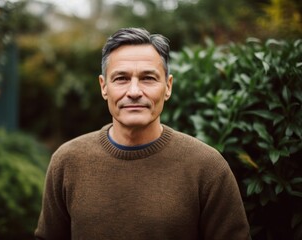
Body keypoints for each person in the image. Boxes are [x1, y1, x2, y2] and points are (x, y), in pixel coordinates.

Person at [35, 27, 251, 240]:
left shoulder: (207, 167)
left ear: (168, 86)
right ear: (103, 87)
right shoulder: (67, 161)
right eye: (121, 78)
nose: (135, 92)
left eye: (148, 78)